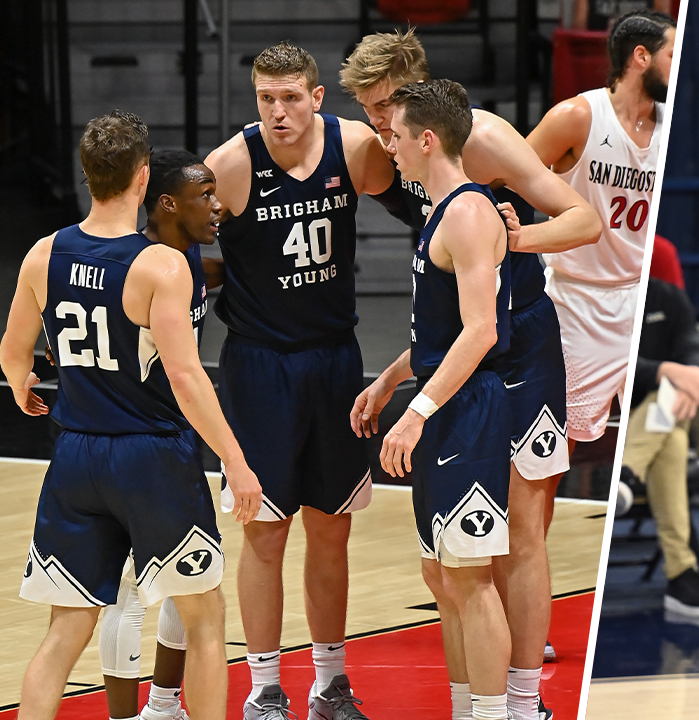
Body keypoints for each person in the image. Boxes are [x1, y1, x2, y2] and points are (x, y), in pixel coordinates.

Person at [339, 29, 602, 720]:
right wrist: (400, 372)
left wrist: (518, 238)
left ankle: (523, 701)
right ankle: (486, 698)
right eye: (367, 110)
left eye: (384, 105)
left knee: (521, 528)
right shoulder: (392, 155)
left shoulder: (480, 139)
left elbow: (584, 219)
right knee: (455, 560)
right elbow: (444, 306)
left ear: (415, 91)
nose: (377, 123)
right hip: (464, 349)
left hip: (519, 350)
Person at [1, 111, 262, 720]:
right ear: (144, 178)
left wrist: (21, 388)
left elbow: (14, 354)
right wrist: (236, 460)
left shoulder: (44, 253)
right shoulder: (159, 266)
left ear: (88, 174)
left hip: (73, 455)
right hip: (150, 457)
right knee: (204, 618)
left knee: (65, 629)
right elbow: (187, 377)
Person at [202, 40, 395, 718]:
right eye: (265, 99)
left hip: (334, 360)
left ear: (317, 97)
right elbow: (172, 247)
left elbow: (427, 205)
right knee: (265, 531)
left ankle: (331, 682)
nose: (278, 111)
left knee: (332, 529)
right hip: (260, 366)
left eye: (290, 97)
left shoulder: (358, 148)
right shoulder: (228, 167)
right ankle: (262, 688)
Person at [354, 79, 513, 720]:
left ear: (426, 139)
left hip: (466, 408)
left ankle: (495, 713)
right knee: (440, 577)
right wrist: (393, 379)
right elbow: (439, 330)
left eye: (395, 136)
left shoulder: (470, 213)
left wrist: (415, 414)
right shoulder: (439, 211)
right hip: (439, 398)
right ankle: (462, 707)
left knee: (471, 579)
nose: (387, 146)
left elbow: (482, 331)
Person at [94, 149, 225, 720]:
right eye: (206, 196)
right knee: (128, 589)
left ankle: (165, 704)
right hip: (133, 439)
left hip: (173, 440)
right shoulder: (138, 262)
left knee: (188, 582)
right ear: (167, 203)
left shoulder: (190, 258)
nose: (219, 207)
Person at [528, 7, 673, 506]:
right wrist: (520, 235)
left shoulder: (668, 126)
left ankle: (669, 547)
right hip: (577, 303)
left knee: (673, 412)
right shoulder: (578, 116)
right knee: (550, 460)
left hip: (639, 299)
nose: (677, 66)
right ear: (641, 57)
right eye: (672, 55)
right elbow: (509, 173)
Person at [623, 277, 699, 618]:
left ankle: (627, 472)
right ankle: (682, 574)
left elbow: (692, 344)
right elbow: (609, 367)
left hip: (655, 416)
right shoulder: (609, 295)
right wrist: (667, 370)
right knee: (672, 430)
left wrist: (689, 377)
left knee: (671, 411)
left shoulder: (668, 297)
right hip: (612, 414)